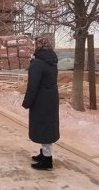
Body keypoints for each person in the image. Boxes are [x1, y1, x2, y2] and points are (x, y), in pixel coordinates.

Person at [22, 37, 59, 171]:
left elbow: (33, 86)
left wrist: (27, 102)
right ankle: (44, 154)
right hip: (50, 99)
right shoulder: (52, 61)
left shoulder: (38, 63)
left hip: (41, 100)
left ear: (38, 47)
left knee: (44, 127)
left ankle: (47, 161)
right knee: (47, 126)